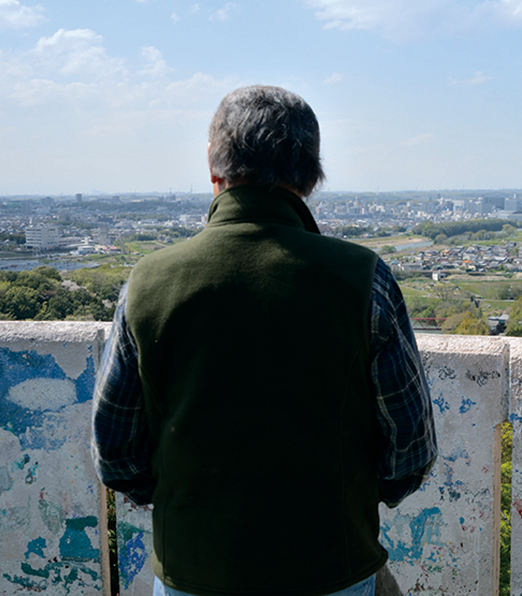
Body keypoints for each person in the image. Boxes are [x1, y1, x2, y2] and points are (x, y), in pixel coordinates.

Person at [91, 85, 437, 596]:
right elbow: (410, 448)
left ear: (214, 166)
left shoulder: (149, 282)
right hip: (332, 564)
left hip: (193, 569)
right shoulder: (363, 278)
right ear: (310, 174)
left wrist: (183, 500)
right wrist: (350, 497)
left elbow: (114, 449)